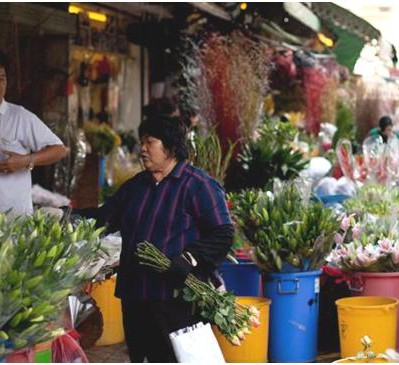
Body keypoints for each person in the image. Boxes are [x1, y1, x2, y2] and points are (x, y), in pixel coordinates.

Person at [74, 115, 234, 362]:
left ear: (170, 146)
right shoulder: (136, 186)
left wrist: (190, 258)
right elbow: (105, 217)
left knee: (174, 358)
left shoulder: (198, 185)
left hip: (175, 299)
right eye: (142, 142)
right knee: (141, 357)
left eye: (150, 142)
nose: (143, 149)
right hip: (135, 295)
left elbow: (223, 233)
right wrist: (69, 217)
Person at [0, 51, 67, 215]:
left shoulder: (20, 116)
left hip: (14, 220)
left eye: (2, 78)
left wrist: (26, 160)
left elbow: (59, 149)